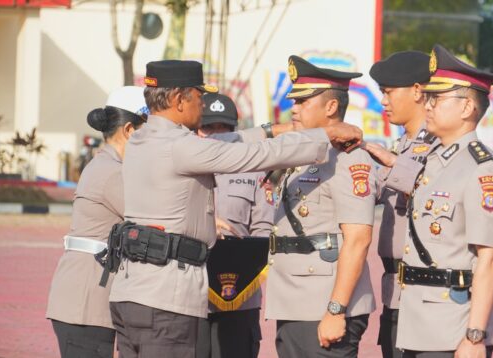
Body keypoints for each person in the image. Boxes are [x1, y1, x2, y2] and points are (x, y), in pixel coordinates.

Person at [107, 59, 363, 358]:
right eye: (198, 98)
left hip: (133, 291)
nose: (202, 106)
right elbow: (249, 154)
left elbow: (227, 141)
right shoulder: (182, 147)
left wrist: (274, 129)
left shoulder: (141, 139)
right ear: (178, 99)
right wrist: (324, 135)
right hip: (165, 299)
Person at [392, 44, 493, 358]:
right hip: (417, 323)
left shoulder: (483, 170)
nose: (428, 106)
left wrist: (474, 336)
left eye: (438, 98)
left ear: (467, 108)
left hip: (452, 329)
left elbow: (490, 258)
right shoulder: (431, 161)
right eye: (428, 98)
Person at [264, 55, 376, 358]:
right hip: (293, 301)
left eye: (303, 101)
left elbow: (358, 238)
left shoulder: (349, 158)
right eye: (294, 101)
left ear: (330, 107)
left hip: (324, 305)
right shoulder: (304, 153)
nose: (294, 108)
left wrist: (336, 310)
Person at [46, 86, 148, 358]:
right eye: (149, 130)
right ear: (129, 130)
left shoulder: (108, 165)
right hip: (85, 303)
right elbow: (152, 215)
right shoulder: (112, 173)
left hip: (87, 298)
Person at [364, 51, 439, 358]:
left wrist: (391, 162)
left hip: (426, 293)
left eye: (389, 92)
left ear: (418, 91)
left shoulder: (438, 143)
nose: (383, 101)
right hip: (394, 290)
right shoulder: (402, 144)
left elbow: (436, 190)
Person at [195, 93, 274, 358]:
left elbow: (264, 232)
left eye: (224, 128)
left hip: (239, 294)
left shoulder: (255, 173)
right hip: (190, 295)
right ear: (196, 129)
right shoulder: (184, 170)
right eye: (209, 128)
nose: (217, 135)